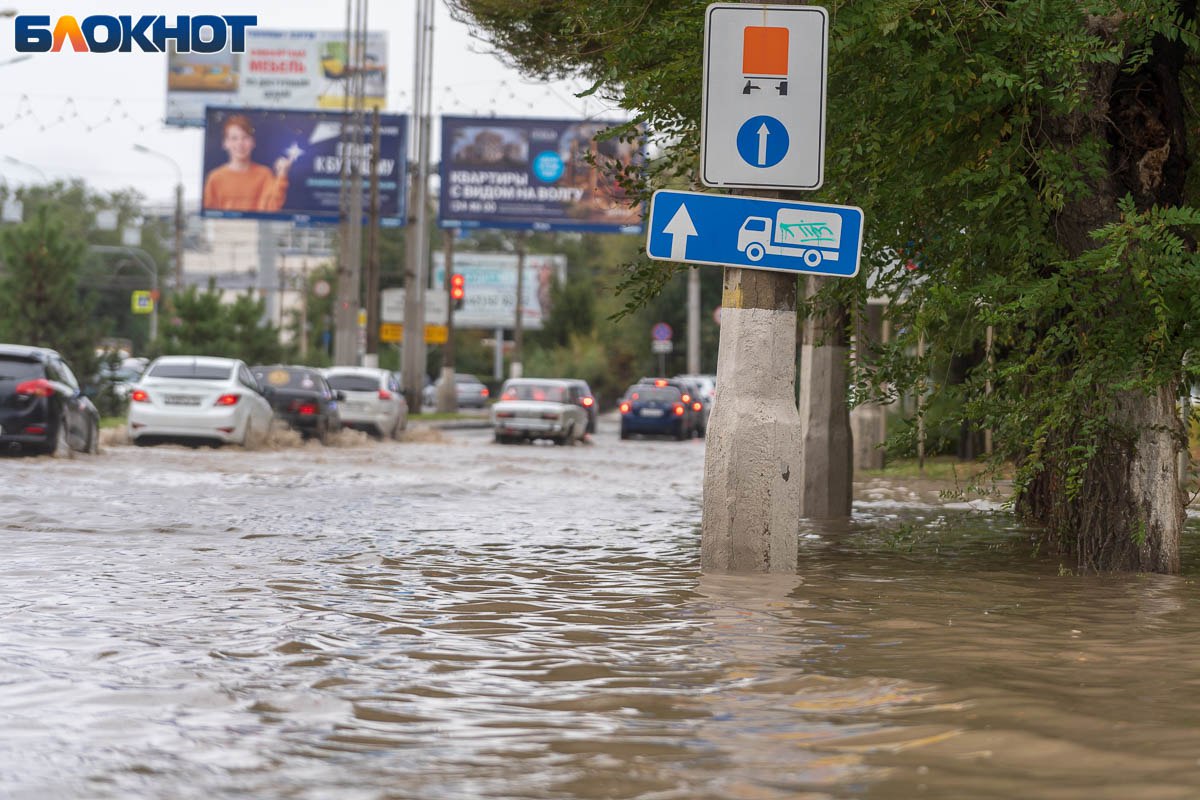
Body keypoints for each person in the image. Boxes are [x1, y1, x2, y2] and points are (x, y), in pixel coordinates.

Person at [203, 114, 291, 212]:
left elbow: (272, 208)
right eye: (234, 138)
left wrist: (282, 174)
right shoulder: (215, 178)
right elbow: (208, 215)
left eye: (245, 137)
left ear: (253, 142)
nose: (240, 143)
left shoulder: (264, 174)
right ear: (225, 143)